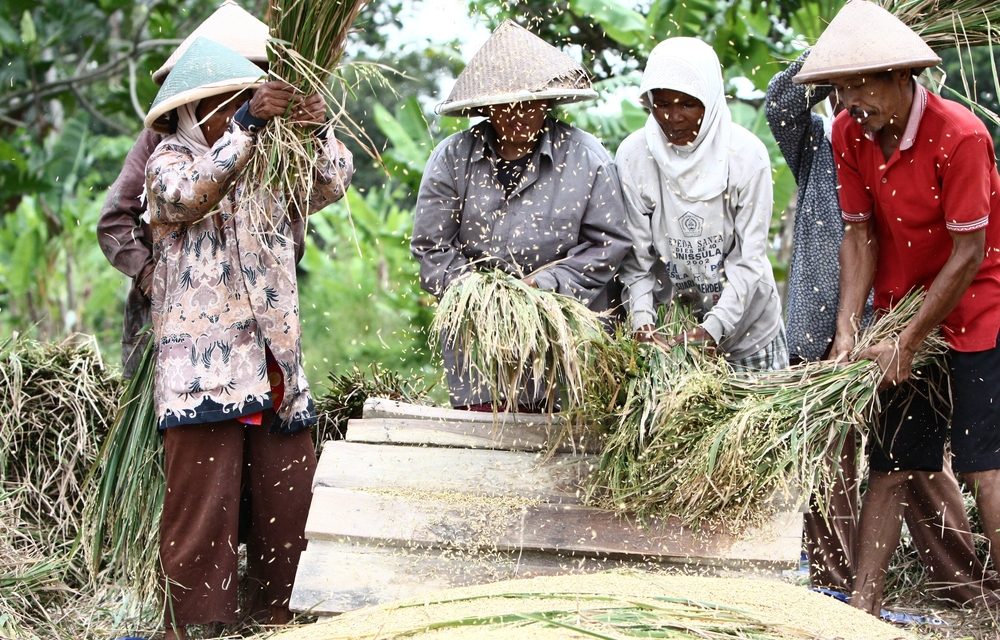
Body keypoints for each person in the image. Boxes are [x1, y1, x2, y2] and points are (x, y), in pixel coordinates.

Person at [767, 49, 1000, 606]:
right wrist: (849, 332)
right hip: (900, 311)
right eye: (839, 90)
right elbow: (859, 235)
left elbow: (969, 253)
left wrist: (909, 340)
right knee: (892, 465)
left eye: (857, 87)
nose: (847, 103)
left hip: (978, 312)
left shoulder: (960, 135)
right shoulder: (850, 131)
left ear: (900, 76)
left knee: (983, 469)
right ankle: (862, 608)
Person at [141, 37, 353, 639]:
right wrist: (245, 125)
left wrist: (315, 131)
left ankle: (281, 617)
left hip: (273, 357)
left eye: (238, 98)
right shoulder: (169, 161)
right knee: (202, 507)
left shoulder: (267, 157)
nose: (228, 110)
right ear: (191, 110)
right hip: (202, 370)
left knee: (287, 498)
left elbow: (330, 184)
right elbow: (185, 197)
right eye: (219, 104)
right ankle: (194, 625)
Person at [411, 20, 630, 411]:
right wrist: (485, 296)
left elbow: (608, 246)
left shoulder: (585, 157)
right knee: (483, 456)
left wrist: (544, 286)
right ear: (487, 107)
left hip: (569, 345)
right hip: (481, 347)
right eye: (506, 105)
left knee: (565, 459)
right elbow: (432, 249)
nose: (519, 114)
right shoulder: (452, 158)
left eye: (530, 103)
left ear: (547, 103)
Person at [97, 0, 309, 379]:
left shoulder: (277, 137)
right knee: (175, 420)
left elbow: (296, 210)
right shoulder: (166, 140)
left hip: (257, 310)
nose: (245, 102)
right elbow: (116, 219)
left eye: (253, 88)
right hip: (177, 314)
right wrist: (151, 276)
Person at [617, 37, 787, 372]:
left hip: (749, 334)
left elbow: (749, 259)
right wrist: (641, 322)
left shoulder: (745, 156)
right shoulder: (634, 156)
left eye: (688, 104)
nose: (673, 118)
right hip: (671, 338)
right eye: (662, 104)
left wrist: (714, 328)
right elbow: (637, 258)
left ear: (709, 100)